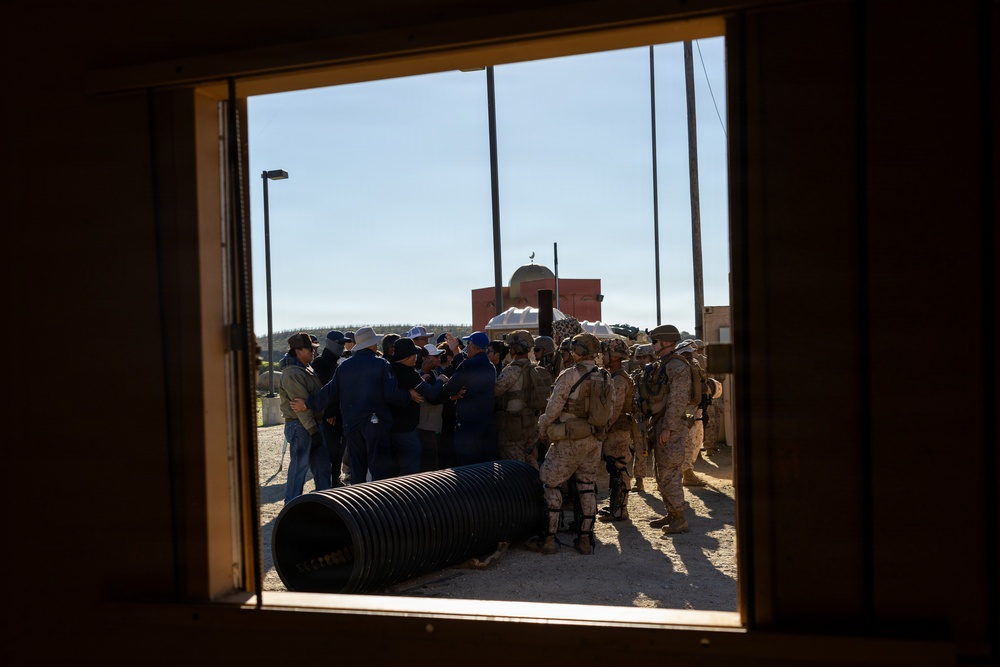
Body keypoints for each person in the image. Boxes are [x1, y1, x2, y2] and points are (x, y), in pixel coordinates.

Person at [292, 327, 422, 484]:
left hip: (352, 424)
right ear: (372, 344)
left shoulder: (344, 367)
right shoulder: (381, 364)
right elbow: (392, 394)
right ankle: (377, 499)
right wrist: (409, 395)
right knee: (379, 470)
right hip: (376, 424)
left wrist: (306, 404)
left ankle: (358, 498)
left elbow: (329, 392)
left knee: (357, 468)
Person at [527, 332, 614, 555]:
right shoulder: (605, 377)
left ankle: (548, 539)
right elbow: (610, 411)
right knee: (587, 485)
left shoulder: (569, 375)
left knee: (550, 483)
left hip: (569, 439)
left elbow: (553, 408)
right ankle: (585, 539)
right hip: (594, 439)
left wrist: (543, 429)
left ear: (579, 351)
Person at [640, 324, 695, 535]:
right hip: (660, 423)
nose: (652, 345)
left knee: (670, 473)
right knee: (661, 471)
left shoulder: (677, 366)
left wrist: (668, 428)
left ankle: (679, 517)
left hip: (671, 427)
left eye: (654, 341)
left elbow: (677, 400)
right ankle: (671, 513)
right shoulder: (664, 364)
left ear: (665, 342)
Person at [277, 332, 331, 503]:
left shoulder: (304, 368)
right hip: (301, 425)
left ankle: (326, 503)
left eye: (313, 348)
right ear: (298, 351)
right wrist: (313, 431)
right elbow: (300, 407)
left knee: (322, 466)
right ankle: (291, 505)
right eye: (309, 349)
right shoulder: (293, 373)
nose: (313, 352)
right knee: (299, 468)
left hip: (310, 425)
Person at [437, 331, 498, 466]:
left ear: (473, 346)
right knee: (486, 466)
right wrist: (455, 351)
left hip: (469, 424)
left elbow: (450, 388)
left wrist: (440, 383)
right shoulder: (490, 366)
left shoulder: (469, 364)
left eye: (468, 343)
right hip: (487, 423)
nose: (466, 347)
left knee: (467, 466)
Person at [387, 337, 446, 477]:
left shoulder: (388, 368)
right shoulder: (409, 373)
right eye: (415, 354)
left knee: (392, 470)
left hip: (388, 426)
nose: (416, 358)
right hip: (406, 429)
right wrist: (440, 380)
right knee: (410, 468)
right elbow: (431, 393)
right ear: (409, 355)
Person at [597, 337, 636, 521]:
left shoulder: (619, 379)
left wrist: (602, 430)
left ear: (614, 356)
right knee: (613, 467)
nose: (602, 357)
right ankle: (616, 506)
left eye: (605, 354)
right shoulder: (611, 376)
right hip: (614, 429)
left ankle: (619, 511)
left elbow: (615, 409)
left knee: (618, 467)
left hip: (617, 429)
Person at [494, 330, 544, 469]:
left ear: (514, 348)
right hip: (531, 423)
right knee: (531, 460)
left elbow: (495, 390)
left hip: (514, 426)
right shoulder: (534, 368)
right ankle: (535, 483)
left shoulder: (512, 370)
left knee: (514, 467)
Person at [311, 330, 350, 486]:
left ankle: (335, 480)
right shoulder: (320, 363)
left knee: (338, 451)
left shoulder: (335, 362)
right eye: (340, 343)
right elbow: (322, 391)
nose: (342, 346)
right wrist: (328, 413)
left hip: (338, 415)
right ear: (330, 344)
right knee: (331, 452)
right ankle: (329, 484)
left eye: (343, 343)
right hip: (328, 416)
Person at [416, 343, 447, 471]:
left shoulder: (436, 372)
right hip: (425, 426)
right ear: (424, 358)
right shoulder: (421, 376)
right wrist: (441, 381)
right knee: (429, 463)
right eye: (435, 356)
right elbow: (432, 397)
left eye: (439, 356)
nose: (439, 358)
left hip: (433, 426)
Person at [630, 343, 655, 491]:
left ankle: (661, 480)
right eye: (638, 357)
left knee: (661, 450)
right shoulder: (636, 376)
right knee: (640, 448)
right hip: (640, 417)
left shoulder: (659, 374)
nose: (641, 360)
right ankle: (639, 479)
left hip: (657, 417)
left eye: (644, 357)